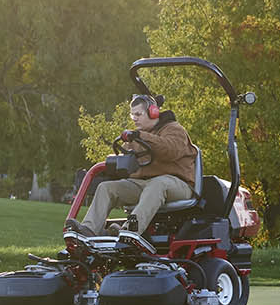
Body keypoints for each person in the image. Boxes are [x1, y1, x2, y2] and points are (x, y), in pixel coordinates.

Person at [72, 94, 196, 237]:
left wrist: (141, 136)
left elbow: (171, 151)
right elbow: (124, 159)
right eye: (132, 115)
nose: (134, 118)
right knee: (107, 188)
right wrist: (101, 172)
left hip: (178, 185)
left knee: (157, 184)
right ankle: (88, 231)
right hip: (145, 185)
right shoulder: (136, 137)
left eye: (138, 114)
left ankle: (129, 232)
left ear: (153, 112)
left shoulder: (174, 129)